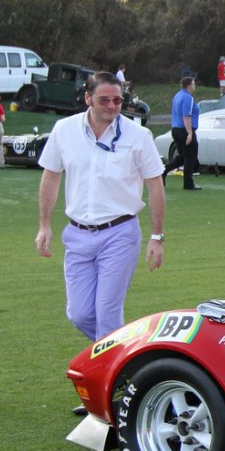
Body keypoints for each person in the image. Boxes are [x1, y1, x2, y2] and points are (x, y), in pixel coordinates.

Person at [35, 71, 165, 342]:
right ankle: (124, 351)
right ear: (88, 99)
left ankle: (111, 364)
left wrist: (157, 236)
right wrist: (44, 225)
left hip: (120, 233)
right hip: (77, 234)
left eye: (117, 100)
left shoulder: (139, 135)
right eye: (104, 100)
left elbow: (155, 185)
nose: (112, 106)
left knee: (107, 314)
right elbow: (51, 176)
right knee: (80, 314)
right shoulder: (64, 130)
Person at [164, 76, 201, 190]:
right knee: (191, 157)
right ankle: (188, 183)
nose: (194, 86)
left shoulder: (177, 95)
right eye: (193, 84)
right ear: (189, 85)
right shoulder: (188, 97)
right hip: (184, 129)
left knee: (183, 156)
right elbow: (186, 116)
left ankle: (164, 171)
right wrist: (190, 133)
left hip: (176, 129)